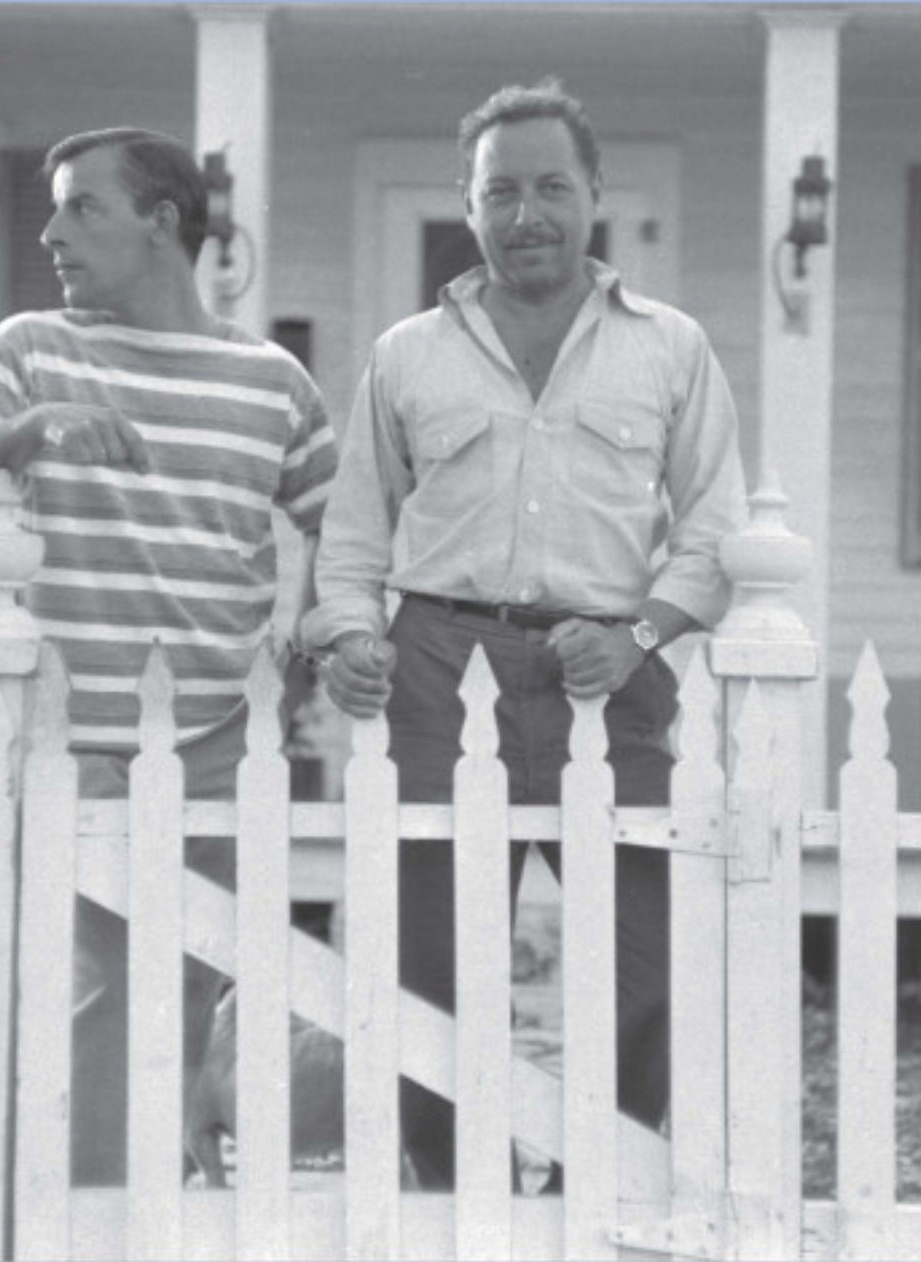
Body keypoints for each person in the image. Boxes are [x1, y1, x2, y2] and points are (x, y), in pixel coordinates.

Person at [299, 79, 747, 1191]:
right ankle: (458, 1200)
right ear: (469, 200)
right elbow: (354, 531)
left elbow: (717, 532)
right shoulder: (408, 354)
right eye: (500, 190)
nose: (526, 212)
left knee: (640, 959)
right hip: (441, 665)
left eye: (552, 185)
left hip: (613, 672)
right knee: (433, 965)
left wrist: (639, 632)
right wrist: (349, 633)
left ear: (595, 193)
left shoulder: (671, 348)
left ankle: (609, 1189)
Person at [0, 127, 337, 1184]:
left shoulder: (271, 381)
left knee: (199, 988)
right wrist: (29, 431)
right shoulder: (29, 352)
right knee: (101, 1001)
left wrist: (310, 632)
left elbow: (342, 521)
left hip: (220, 741)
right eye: (53, 208)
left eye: (81, 207)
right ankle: (96, 1220)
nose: (52, 231)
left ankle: (170, 1201)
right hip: (72, 743)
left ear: (162, 221)